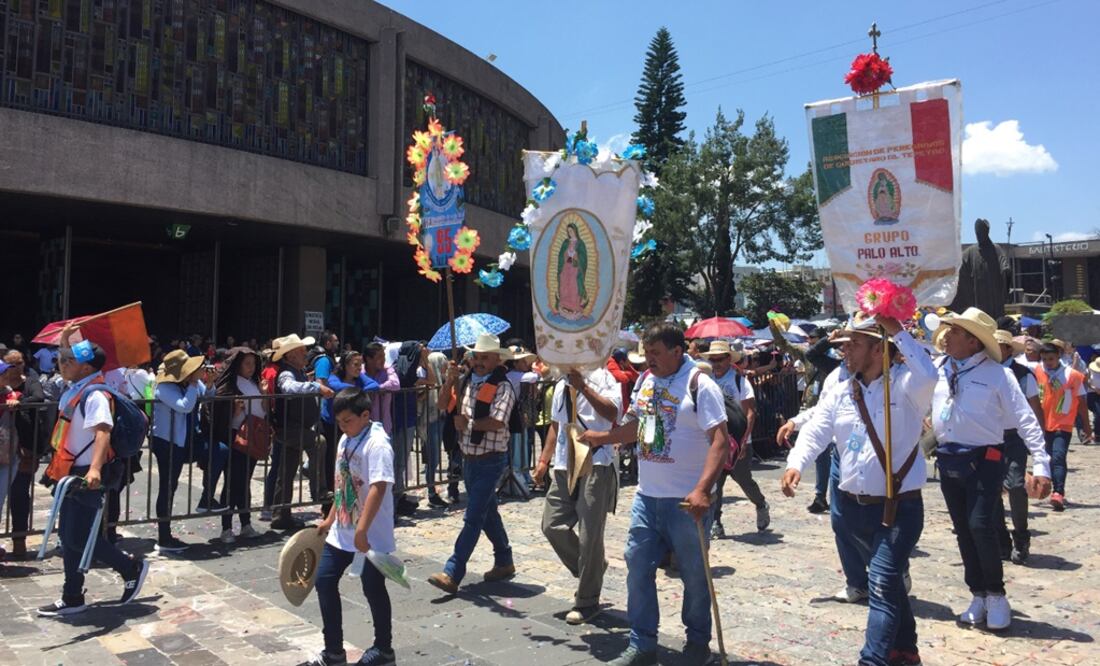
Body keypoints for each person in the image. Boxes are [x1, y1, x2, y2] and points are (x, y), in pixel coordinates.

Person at [781, 313, 935, 666]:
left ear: (879, 349)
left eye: (853, 344)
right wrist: (796, 463)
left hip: (898, 509)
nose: (844, 351)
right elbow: (818, 429)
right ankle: (906, 650)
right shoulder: (841, 388)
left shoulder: (907, 386)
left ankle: (873, 660)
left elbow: (929, 372)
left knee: (880, 584)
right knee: (889, 583)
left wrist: (895, 328)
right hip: (853, 508)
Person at [580, 322, 729, 666]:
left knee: (694, 575)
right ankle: (642, 643)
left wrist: (702, 490)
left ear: (678, 352)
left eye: (656, 353)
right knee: (637, 567)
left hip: (686, 501)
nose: (649, 360)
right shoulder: (648, 380)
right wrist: (603, 438)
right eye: (646, 353)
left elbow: (719, 440)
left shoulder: (699, 384)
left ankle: (696, 643)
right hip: (648, 497)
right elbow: (642, 428)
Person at [931, 308, 1052, 630]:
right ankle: (978, 593)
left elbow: (1025, 419)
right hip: (949, 458)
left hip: (985, 459)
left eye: (955, 332)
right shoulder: (939, 369)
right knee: (962, 528)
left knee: (980, 524)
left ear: (972, 341)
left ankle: (996, 594)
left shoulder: (999, 374)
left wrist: (1042, 463)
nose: (946, 336)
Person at [37, 335, 149, 616]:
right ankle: (72, 595)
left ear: (86, 368)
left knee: (78, 537)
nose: (61, 364)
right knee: (69, 534)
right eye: (62, 359)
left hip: (87, 473)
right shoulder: (76, 387)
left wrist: (95, 468)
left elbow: (102, 431)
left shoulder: (96, 394)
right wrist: (66, 339)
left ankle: (129, 566)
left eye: (68, 361)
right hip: (69, 471)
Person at [309, 389, 396, 666]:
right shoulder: (346, 439)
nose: (342, 426)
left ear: (365, 415)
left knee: (373, 587)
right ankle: (333, 651)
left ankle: (384, 649)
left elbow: (378, 487)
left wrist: (362, 530)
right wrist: (330, 517)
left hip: (369, 531)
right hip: (342, 528)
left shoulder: (378, 443)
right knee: (323, 580)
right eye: (339, 421)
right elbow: (342, 482)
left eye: (347, 420)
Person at [427, 334, 517, 595]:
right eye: (476, 357)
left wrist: (468, 424)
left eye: (484, 357)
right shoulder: (466, 381)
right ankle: (504, 558)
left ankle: (453, 571)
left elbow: (499, 421)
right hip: (469, 457)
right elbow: (443, 405)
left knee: (473, 516)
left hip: (491, 459)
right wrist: (449, 381)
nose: (478, 362)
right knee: (488, 512)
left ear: (496, 359)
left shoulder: (503, 386)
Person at [534, 367, 621, 626]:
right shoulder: (561, 383)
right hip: (564, 463)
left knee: (589, 534)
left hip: (596, 461)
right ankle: (592, 568)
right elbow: (556, 425)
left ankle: (587, 599)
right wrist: (543, 459)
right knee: (552, 525)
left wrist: (583, 387)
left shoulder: (604, 377)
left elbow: (612, 412)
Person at [151, 350, 225, 552]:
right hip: (168, 441)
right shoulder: (164, 387)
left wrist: (208, 382)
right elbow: (184, 406)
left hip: (189, 438)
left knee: (220, 451)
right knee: (169, 486)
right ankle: (164, 537)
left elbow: (207, 395)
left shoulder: (191, 383)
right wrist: (194, 383)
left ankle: (207, 498)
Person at [699, 340, 769, 537]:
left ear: (728, 359)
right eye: (712, 360)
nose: (716, 363)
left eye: (719, 359)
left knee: (744, 480)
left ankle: (760, 503)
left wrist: (744, 440)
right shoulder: (707, 380)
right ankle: (716, 522)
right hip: (716, 442)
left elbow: (750, 413)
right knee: (716, 482)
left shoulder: (740, 381)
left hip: (738, 442)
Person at [272, 334, 334, 531]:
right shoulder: (286, 373)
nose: (305, 354)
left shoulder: (298, 371)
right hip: (289, 428)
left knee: (287, 471)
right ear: (289, 356)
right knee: (319, 442)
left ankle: (281, 515)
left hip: (298, 427)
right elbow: (288, 388)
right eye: (300, 352)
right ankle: (319, 490)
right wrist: (315, 386)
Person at [992, 331, 1042, 564]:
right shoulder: (985, 371)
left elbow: (1034, 408)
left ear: (1009, 349)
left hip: (1015, 437)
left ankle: (1021, 535)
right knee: (991, 490)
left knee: (1015, 485)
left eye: (999, 346)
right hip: (990, 437)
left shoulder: (1023, 375)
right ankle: (1001, 539)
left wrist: (1039, 443)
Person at [210, 347, 267, 543]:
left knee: (245, 482)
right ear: (237, 365)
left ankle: (245, 524)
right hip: (235, 438)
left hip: (253, 436)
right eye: (247, 364)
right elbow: (220, 416)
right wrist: (233, 412)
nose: (251, 368)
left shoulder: (254, 383)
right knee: (232, 483)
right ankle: (226, 528)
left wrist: (264, 393)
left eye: (253, 363)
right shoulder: (229, 386)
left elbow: (263, 408)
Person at [1033, 341, 1092, 511]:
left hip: (1063, 423)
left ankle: (1058, 492)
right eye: (1044, 359)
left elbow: (1081, 401)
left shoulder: (1072, 375)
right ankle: (1048, 486)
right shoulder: (1037, 371)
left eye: (1050, 359)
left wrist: (1086, 426)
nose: (1047, 363)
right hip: (1042, 423)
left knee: (1058, 457)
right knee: (1048, 458)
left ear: (1058, 356)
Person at [322, 351, 381, 515]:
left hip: (352, 425)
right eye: (355, 365)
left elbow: (374, 385)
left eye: (360, 365)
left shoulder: (360, 378)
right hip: (332, 423)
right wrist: (358, 390)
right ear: (345, 366)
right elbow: (335, 386)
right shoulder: (335, 377)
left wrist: (357, 389)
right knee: (332, 463)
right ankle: (329, 503)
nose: (359, 368)